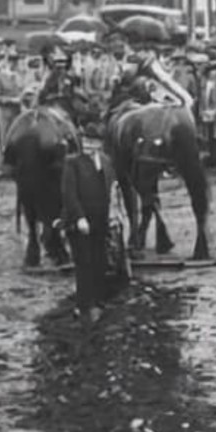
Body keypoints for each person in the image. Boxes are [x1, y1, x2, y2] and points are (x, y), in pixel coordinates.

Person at [59, 123, 119, 325]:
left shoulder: (106, 162)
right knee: (83, 263)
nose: (87, 145)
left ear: (100, 144)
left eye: (92, 142)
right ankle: (84, 305)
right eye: (84, 141)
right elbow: (69, 194)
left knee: (99, 261)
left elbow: (112, 189)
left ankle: (98, 301)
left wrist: (114, 214)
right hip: (81, 222)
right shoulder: (72, 163)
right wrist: (78, 217)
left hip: (101, 219)